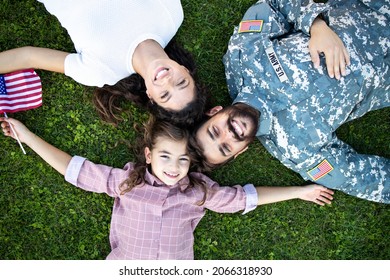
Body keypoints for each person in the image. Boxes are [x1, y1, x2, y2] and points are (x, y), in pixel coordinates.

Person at [0, 116, 333, 259]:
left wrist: (299, 191)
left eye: (183, 160)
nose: (174, 168)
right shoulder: (125, 182)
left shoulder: (199, 192)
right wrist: (26, 136)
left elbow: (245, 197)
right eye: (165, 157)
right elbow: (75, 169)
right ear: (148, 155)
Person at [195, 0, 389, 203]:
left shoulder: (243, 57)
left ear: (214, 111)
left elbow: (274, 5)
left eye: (215, 131)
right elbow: (357, 177)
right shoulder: (296, 150)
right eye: (226, 148)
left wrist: (316, 25)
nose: (229, 134)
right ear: (240, 152)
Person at [0, 0, 208, 126]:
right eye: (181, 82)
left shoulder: (101, 72)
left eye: (164, 94)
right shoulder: (171, 16)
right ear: (185, 70)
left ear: (150, 96)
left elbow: (29, 57)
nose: (167, 81)